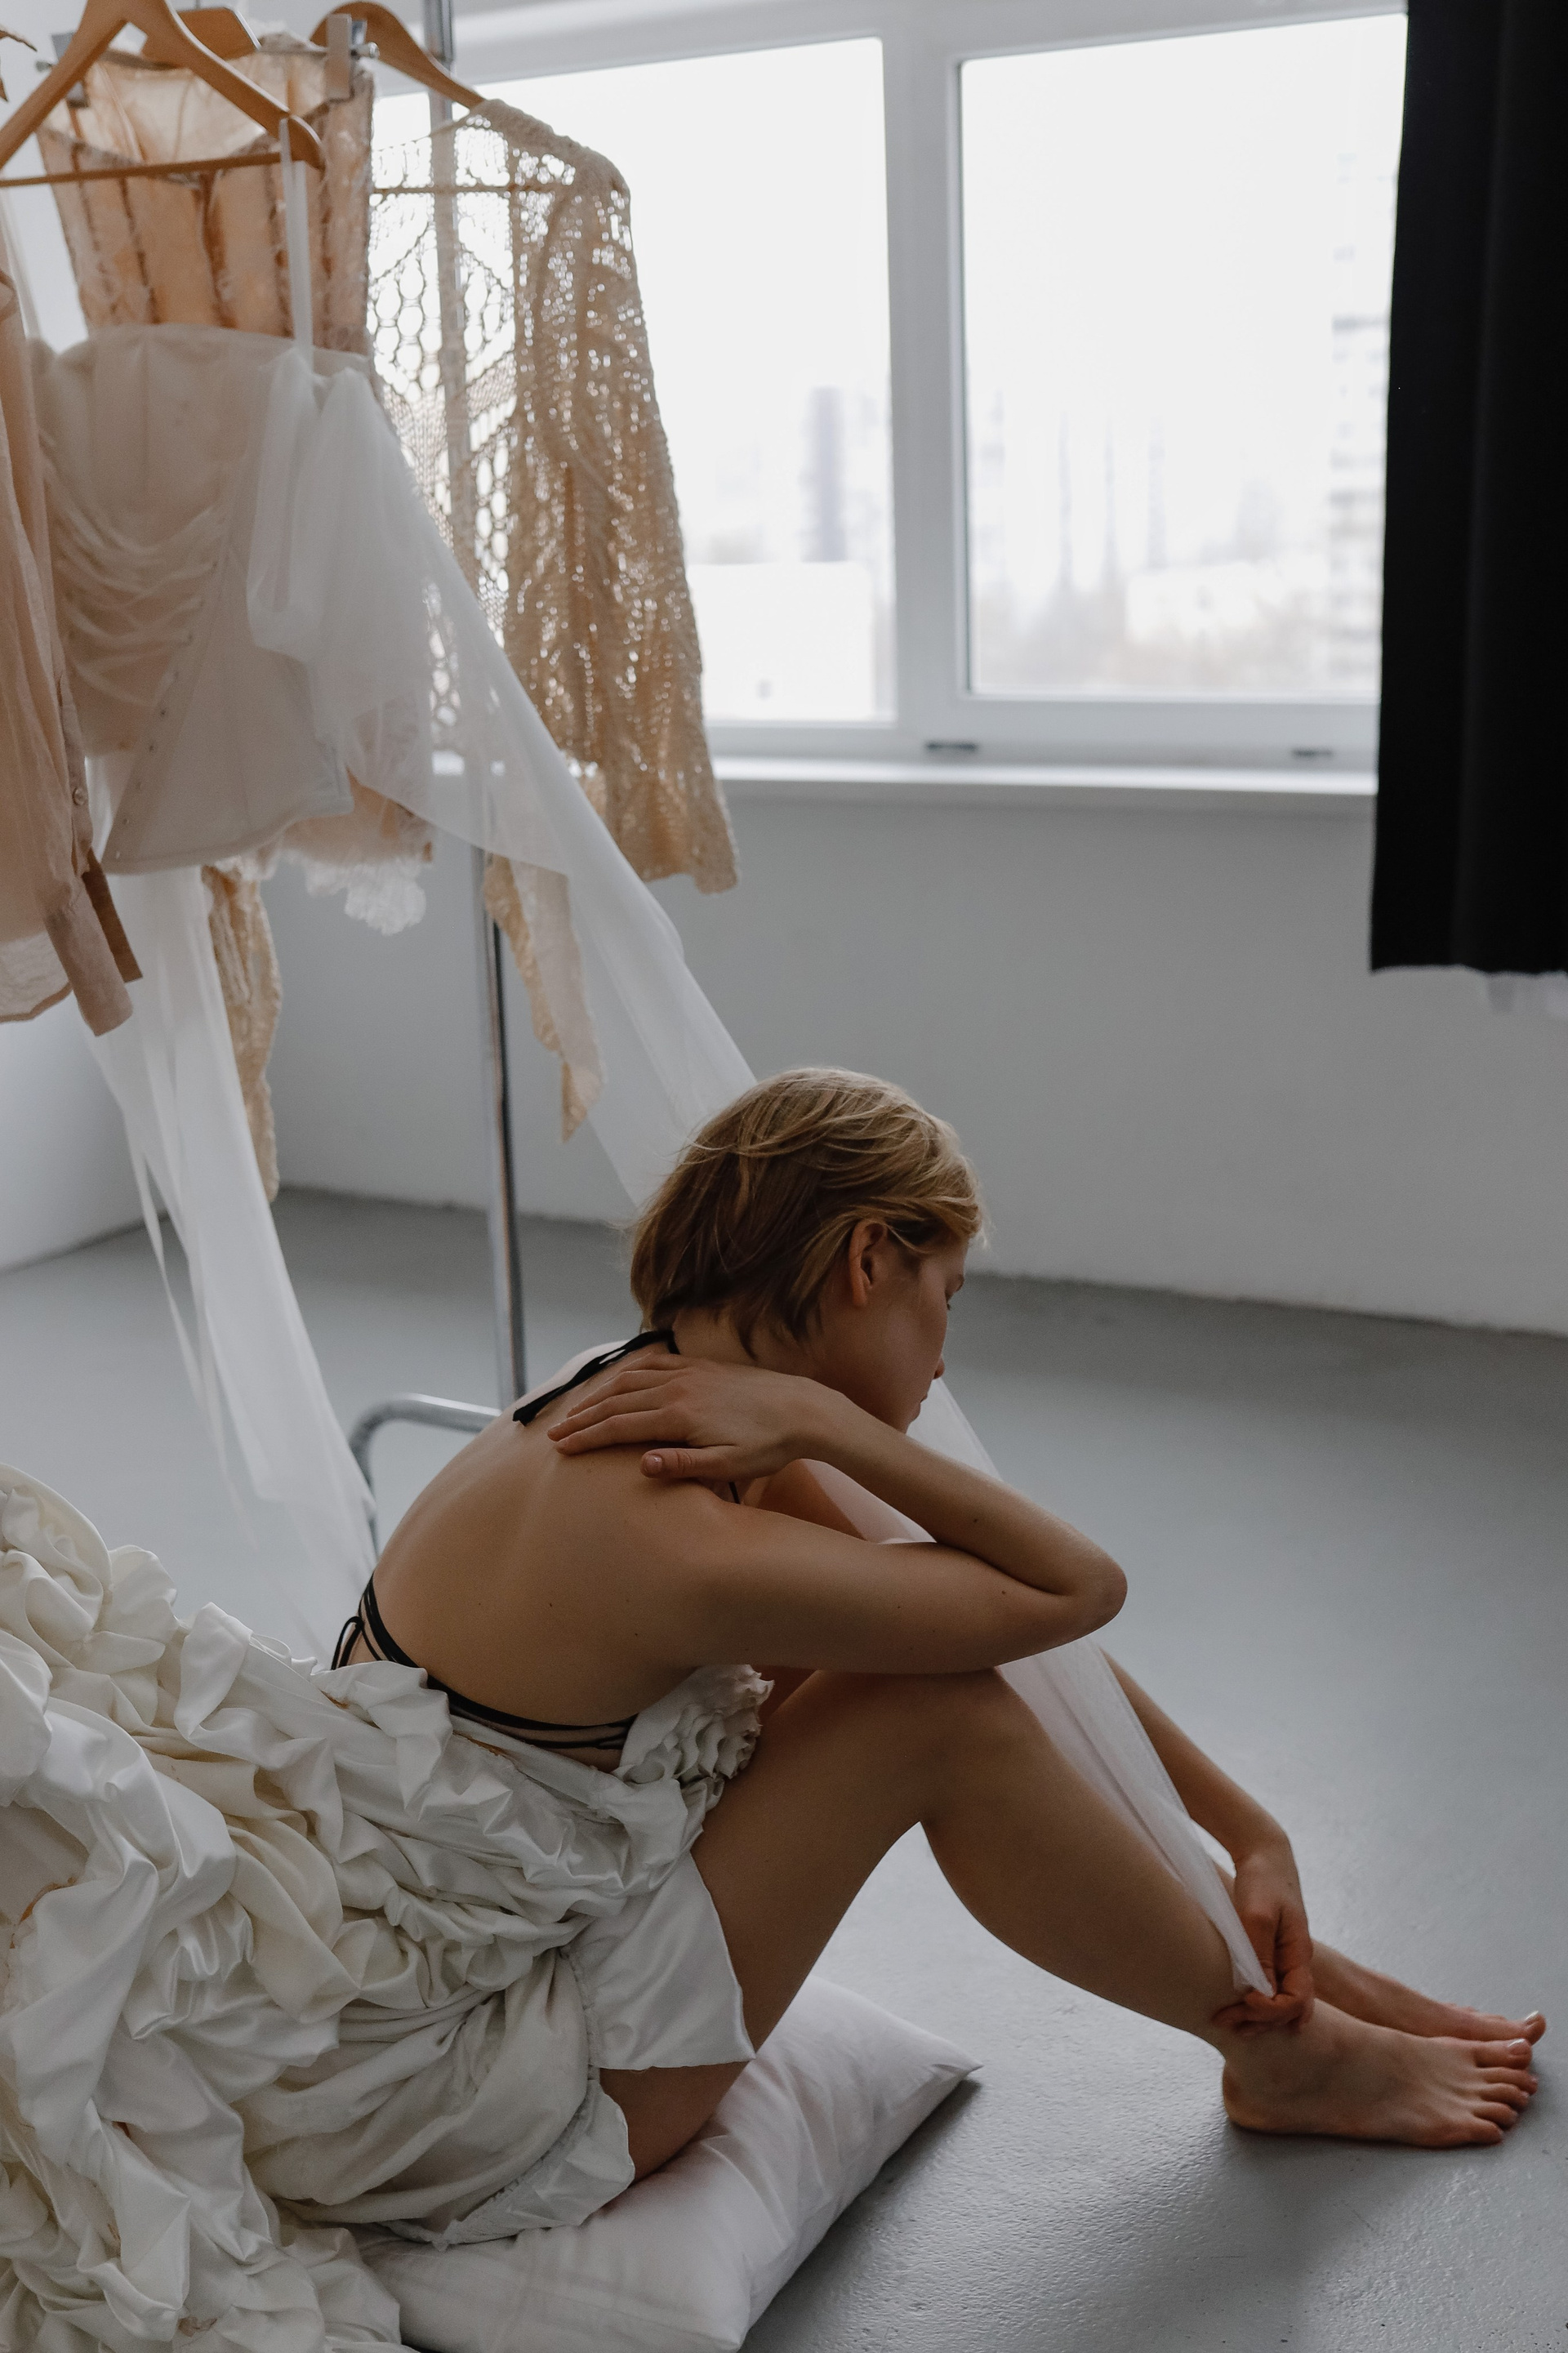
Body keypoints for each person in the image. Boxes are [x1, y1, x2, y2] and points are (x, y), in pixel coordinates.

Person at [354, 1066, 1544, 2190]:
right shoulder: (673, 1528)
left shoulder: (646, 1391)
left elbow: (1000, 1625)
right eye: (946, 1295)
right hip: (473, 2096)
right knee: (933, 1712)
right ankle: (1284, 2055)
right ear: (870, 1258)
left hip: (467, 1980)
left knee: (936, 1657)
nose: (942, 1356)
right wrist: (838, 1427)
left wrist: (1250, 1831)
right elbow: (1075, 1588)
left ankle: (1284, 1974)